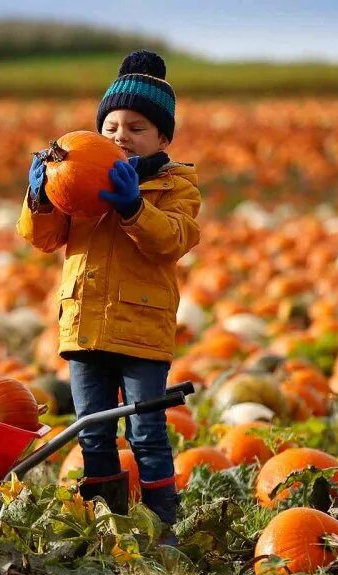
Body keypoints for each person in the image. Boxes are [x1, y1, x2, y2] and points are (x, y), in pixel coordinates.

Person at [17, 49, 201, 541]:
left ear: (162, 137)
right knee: (92, 430)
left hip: (142, 331)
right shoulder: (78, 182)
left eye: (137, 128)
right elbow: (45, 239)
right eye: (112, 127)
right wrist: (39, 199)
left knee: (146, 431)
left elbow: (174, 241)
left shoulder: (177, 188)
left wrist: (133, 207)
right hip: (84, 328)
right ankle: (106, 520)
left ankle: (163, 522)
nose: (121, 136)